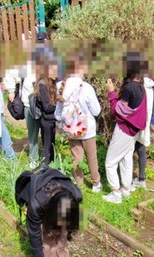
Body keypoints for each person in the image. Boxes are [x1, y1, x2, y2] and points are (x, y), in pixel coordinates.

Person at [22, 167, 82, 257]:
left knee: (62, 241)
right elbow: (34, 234)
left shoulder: (76, 196)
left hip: (61, 201)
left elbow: (75, 220)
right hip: (44, 200)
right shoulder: (37, 203)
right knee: (48, 242)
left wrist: (68, 230)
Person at [102, 52, 148, 204]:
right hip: (134, 131)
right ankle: (126, 190)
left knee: (110, 162)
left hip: (124, 130)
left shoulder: (129, 88)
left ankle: (116, 193)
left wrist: (111, 91)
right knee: (126, 159)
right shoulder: (141, 86)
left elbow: (118, 110)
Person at [56, 53, 102, 191]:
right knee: (91, 157)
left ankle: (79, 184)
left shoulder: (60, 86)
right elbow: (96, 111)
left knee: (76, 157)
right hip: (87, 129)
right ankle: (96, 183)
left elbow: (57, 113)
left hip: (71, 128)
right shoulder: (86, 87)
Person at [3, 31, 48, 167]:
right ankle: (34, 159)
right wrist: (11, 90)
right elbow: (11, 73)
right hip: (29, 103)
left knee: (46, 132)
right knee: (33, 133)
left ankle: (47, 158)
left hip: (44, 102)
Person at [133, 73, 154, 190]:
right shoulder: (153, 87)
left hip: (134, 122)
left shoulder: (138, 87)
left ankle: (126, 179)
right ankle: (141, 178)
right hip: (145, 122)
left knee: (130, 149)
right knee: (141, 148)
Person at [35, 57, 59, 165]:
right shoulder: (42, 85)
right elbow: (47, 107)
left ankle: (52, 166)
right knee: (47, 146)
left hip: (52, 120)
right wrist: (59, 105)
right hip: (46, 121)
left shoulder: (52, 83)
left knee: (52, 145)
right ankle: (44, 168)